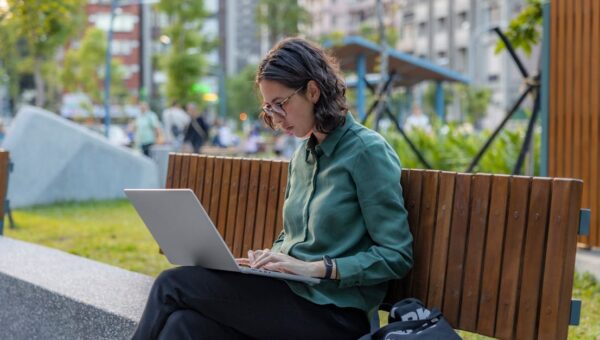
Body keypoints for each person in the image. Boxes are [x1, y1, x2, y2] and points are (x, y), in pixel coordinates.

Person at [132, 37, 413, 340]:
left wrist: (318, 268)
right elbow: (293, 236)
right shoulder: (303, 155)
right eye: (269, 107)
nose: (276, 118)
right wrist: (267, 260)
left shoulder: (366, 152)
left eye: (281, 104)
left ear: (313, 91)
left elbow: (396, 255)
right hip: (290, 296)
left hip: (333, 315)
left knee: (171, 285)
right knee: (183, 326)